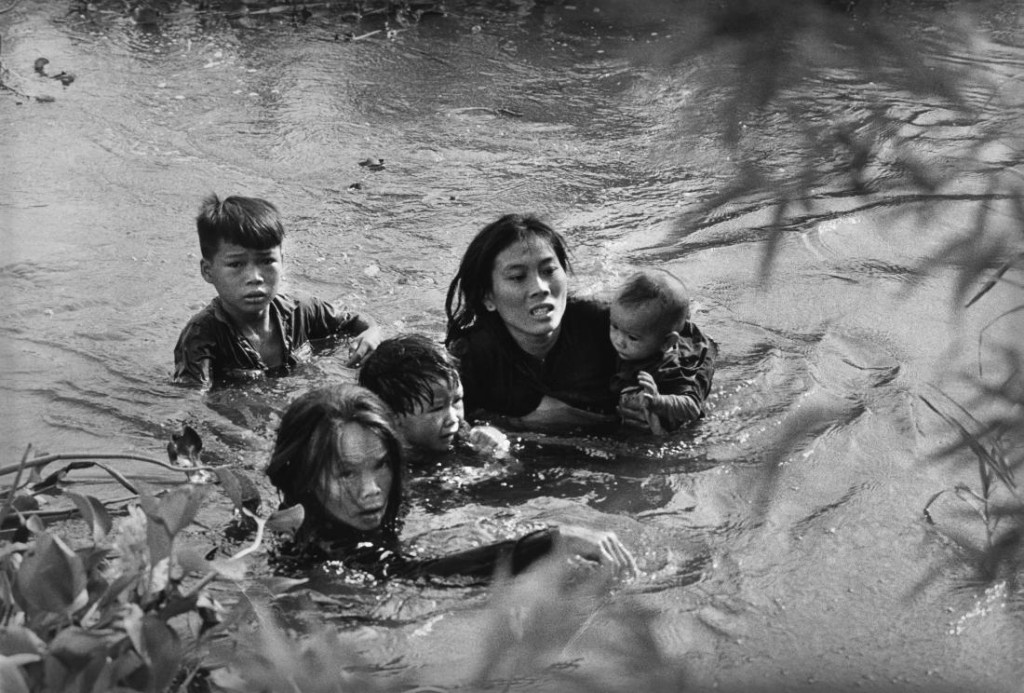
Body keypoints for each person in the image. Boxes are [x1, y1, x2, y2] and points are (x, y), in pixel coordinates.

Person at [264, 384, 636, 581]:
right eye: (346, 473)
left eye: (380, 465)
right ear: (305, 478)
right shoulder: (313, 538)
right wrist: (546, 542)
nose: (371, 490)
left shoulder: (387, 488)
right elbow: (412, 575)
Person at [173, 194, 382, 386]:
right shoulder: (200, 337)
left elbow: (354, 322)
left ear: (282, 262)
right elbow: (194, 403)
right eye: (236, 265)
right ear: (208, 271)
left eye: (266, 261)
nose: (255, 277)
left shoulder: (301, 310)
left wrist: (372, 332)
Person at [444, 214, 623, 429]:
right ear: (488, 297)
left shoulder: (610, 325)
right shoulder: (470, 359)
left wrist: (656, 407)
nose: (541, 287)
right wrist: (517, 424)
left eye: (549, 271)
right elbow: (448, 428)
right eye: (518, 277)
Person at [357, 333, 511, 462]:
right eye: (437, 408)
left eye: (457, 400)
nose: (453, 418)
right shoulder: (380, 462)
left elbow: (513, 468)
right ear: (391, 418)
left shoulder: (463, 433)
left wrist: (498, 447)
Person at [608, 269, 717, 435]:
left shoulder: (673, 368)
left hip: (691, 351)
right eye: (614, 327)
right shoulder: (631, 327)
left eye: (632, 337)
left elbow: (693, 407)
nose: (619, 341)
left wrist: (660, 401)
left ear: (666, 343)